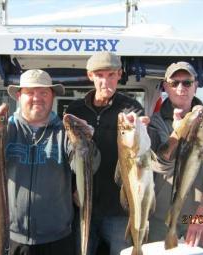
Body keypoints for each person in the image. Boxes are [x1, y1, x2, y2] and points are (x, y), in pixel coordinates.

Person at [0, 69, 99, 255]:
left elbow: (88, 167)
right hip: (10, 236)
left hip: (58, 238)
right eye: (30, 92)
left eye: (43, 92)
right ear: (19, 96)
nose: (37, 98)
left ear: (52, 96)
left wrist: (85, 142)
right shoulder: (6, 128)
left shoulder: (65, 132)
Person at [66, 51, 149, 255]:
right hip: (84, 207)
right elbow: (67, 154)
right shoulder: (76, 109)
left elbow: (146, 146)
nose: (106, 81)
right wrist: (71, 189)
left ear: (119, 74)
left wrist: (142, 129)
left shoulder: (131, 108)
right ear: (90, 76)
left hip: (119, 209)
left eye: (111, 75)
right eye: (100, 75)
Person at [147, 61, 203, 254]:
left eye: (187, 82)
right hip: (161, 217)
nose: (181, 88)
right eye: (174, 82)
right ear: (165, 86)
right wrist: (177, 134)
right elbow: (159, 164)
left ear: (196, 85)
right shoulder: (155, 123)